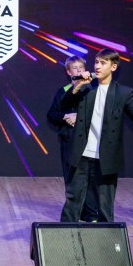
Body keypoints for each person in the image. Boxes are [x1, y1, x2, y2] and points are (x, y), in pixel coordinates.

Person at [59, 48, 133, 222]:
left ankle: (105, 237)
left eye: (103, 63)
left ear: (113, 67)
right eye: (96, 62)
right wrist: (78, 86)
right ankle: (65, 234)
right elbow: (63, 106)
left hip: (106, 156)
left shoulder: (123, 92)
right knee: (73, 199)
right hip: (81, 153)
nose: (98, 66)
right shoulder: (86, 88)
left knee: (104, 204)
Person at [47, 56, 99, 222]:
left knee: (90, 177)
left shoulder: (93, 89)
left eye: (81, 67)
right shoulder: (63, 91)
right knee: (72, 178)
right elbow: (52, 115)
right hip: (69, 140)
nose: (78, 70)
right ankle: (74, 213)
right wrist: (66, 116)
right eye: (75, 68)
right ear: (69, 72)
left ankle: (90, 214)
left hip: (90, 140)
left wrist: (79, 117)